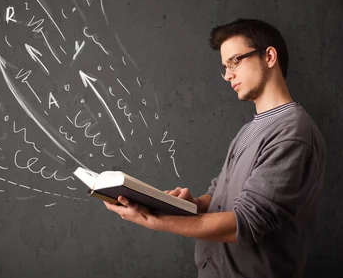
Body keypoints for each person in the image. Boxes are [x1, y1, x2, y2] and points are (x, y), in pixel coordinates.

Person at [104, 18, 327, 278]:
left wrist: (156, 220)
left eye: (236, 61)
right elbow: (219, 197)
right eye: (225, 67)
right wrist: (192, 205)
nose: (229, 75)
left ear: (269, 56)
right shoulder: (249, 130)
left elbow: (245, 223)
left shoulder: (294, 133)